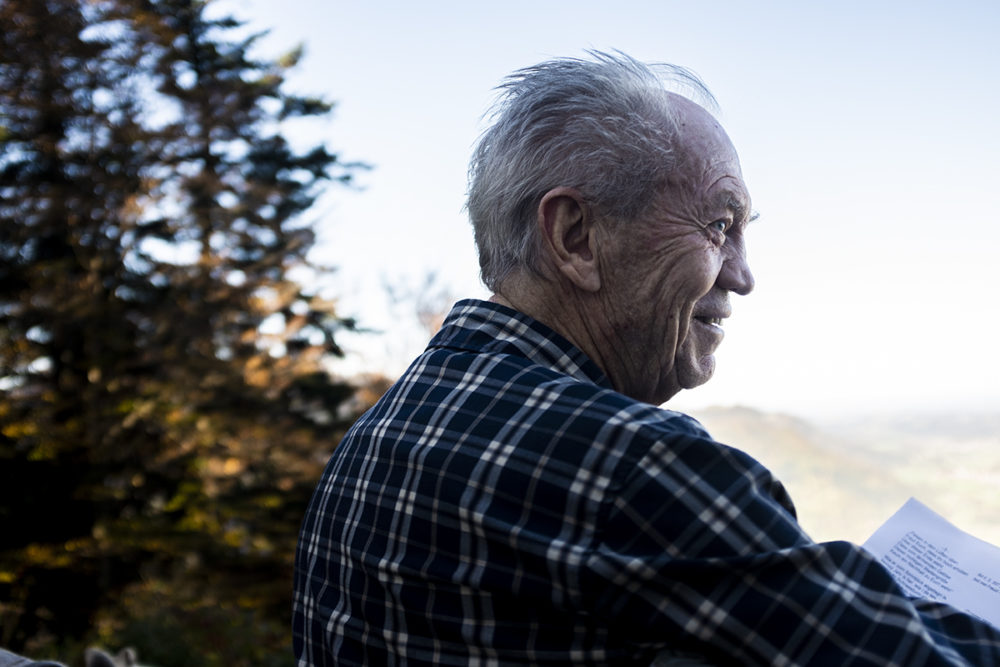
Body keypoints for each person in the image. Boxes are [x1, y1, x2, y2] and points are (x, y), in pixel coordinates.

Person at [292, 51, 1000, 665]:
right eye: (718, 226)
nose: (744, 276)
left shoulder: (390, 423)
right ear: (575, 236)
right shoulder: (631, 467)